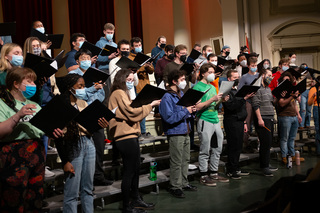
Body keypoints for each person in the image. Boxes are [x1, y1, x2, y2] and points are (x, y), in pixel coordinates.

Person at [0, 67, 63, 212]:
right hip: (13, 154)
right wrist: (18, 115)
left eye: (34, 82)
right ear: (16, 84)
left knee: (34, 198)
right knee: (13, 199)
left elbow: (43, 129)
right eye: (29, 81)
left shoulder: (34, 105)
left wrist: (54, 131)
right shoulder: (2, 102)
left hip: (36, 152)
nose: (33, 85)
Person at [53, 74, 109, 213]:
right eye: (80, 86)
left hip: (88, 143)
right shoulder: (61, 105)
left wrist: (99, 125)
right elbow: (58, 137)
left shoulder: (83, 102)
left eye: (84, 86)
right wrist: (65, 160)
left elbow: (88, 126)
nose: (83, 89)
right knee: (72, 190)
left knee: (88, 188)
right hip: (73, 145)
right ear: (70, 87)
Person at [108, 69, 160, 213]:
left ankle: (135, 199)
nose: (131, 82)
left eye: (132, 80)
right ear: (121, 80)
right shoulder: (118, 93)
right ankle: (126, 206)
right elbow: (131, 113)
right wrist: (150, 105)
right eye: (129, 80)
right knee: (129, 171)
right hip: (125, 136)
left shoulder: (123, 94)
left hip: (131, 135)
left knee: (135, 169)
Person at [159, 69, 197, 198]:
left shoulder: (182, 94)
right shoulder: (167, 97)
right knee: (176, 161)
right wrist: (186, 111)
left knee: (185, 159)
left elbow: (185, 113)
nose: (184, 82)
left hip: (185, 130)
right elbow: (169, 118)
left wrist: (193, 110)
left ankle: (184, 183)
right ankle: (175, 186)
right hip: (175, 132)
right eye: (181, 80)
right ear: (174, 81)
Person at [193, 63, 229, 186]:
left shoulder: (213, 87)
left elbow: (214, 104)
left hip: (215, 119)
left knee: (218, 147)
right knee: (205, 148)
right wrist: (211, 100)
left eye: (213, 72)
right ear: (203, 73)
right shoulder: (197, 87)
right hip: (204, 119)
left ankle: (214, 172)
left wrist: (221, 100)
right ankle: (203, 174)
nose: (212, 74)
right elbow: (197, 107)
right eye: (210, 72)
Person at [223, 69, 254, 179]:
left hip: (240, 121)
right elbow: (231, 106)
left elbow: (241, 108)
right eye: (234, 78)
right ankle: (231, 169)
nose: (237, 80)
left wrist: (245, 122)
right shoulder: (226, 92)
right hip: (232, 121)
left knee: (238, 146)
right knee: (233, 146)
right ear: (229, 79)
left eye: (238, 78)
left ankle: (236, 167)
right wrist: (244, 98)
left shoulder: (238, 91)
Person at [252, 68, 279, 176]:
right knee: (264, 143)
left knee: (268, 143)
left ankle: (266, 163)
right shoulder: (257, 88)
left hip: (270, 116)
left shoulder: (268, 89)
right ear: (262, 75)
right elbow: (255, 105)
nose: (271, 77)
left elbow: (272, 103)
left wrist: (278, 97)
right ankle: (264, 166)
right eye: (269, 75)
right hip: (263, 118)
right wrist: (259, 119)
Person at [276, 72, 305, 166]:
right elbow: (281, 103)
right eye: (285, 80)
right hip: (285, 117)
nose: (287, 81)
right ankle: (284, 156)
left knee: (292, 138)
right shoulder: (280, 91)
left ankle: (292, 155)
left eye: (288, 80)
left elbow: (294, 104)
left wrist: (298, 115)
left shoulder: (291, 90)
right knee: (284, 138)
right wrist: (292, 97)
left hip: (293, 116)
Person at [129, 37, 154, 138]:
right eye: (136, 46)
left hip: (146, 86)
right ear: (132, 47)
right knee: (138, 110)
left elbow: (152, 71)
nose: (138, 47)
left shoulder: (144, 56)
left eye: (140, 45)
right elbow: (131, 71)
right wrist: (139, 68)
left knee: (145, 109)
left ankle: (143, 131)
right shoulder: (130, 58)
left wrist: (148, 66)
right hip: (136, 87)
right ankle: (139, 131)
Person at [238, 57, 259, 152]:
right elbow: (239, 90)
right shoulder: (244, 77)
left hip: (258, 101)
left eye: (255, 65)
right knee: (247, 122)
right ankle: (245, 145)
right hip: (248, 102)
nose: (254, 67)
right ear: (248, 66)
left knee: (259, 122)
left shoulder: (259, 75)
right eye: (252, 66)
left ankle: (259, 144)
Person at [308, 76, 320, 156]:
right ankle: (319, 151)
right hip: (317, 108)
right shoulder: (313, 89)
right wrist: (314, 96)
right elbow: (309, 103)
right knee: (318, 130)